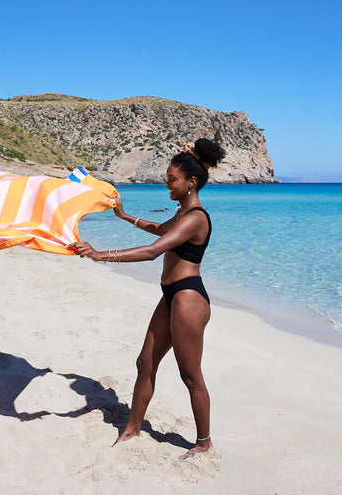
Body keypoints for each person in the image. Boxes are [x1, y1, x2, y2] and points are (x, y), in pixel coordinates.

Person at [70, 138, 226, 457]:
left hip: (188, 299)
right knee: (145, 362)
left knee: (189, 374)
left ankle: (204, 442)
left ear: (191, 182)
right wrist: (125, 217)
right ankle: (132, 428)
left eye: (172, 180)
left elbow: (155, 251)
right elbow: (159, 230)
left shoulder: (196, 217)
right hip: (171, 296)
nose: (166, 184)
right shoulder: (183, 212)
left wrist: (102, 255)